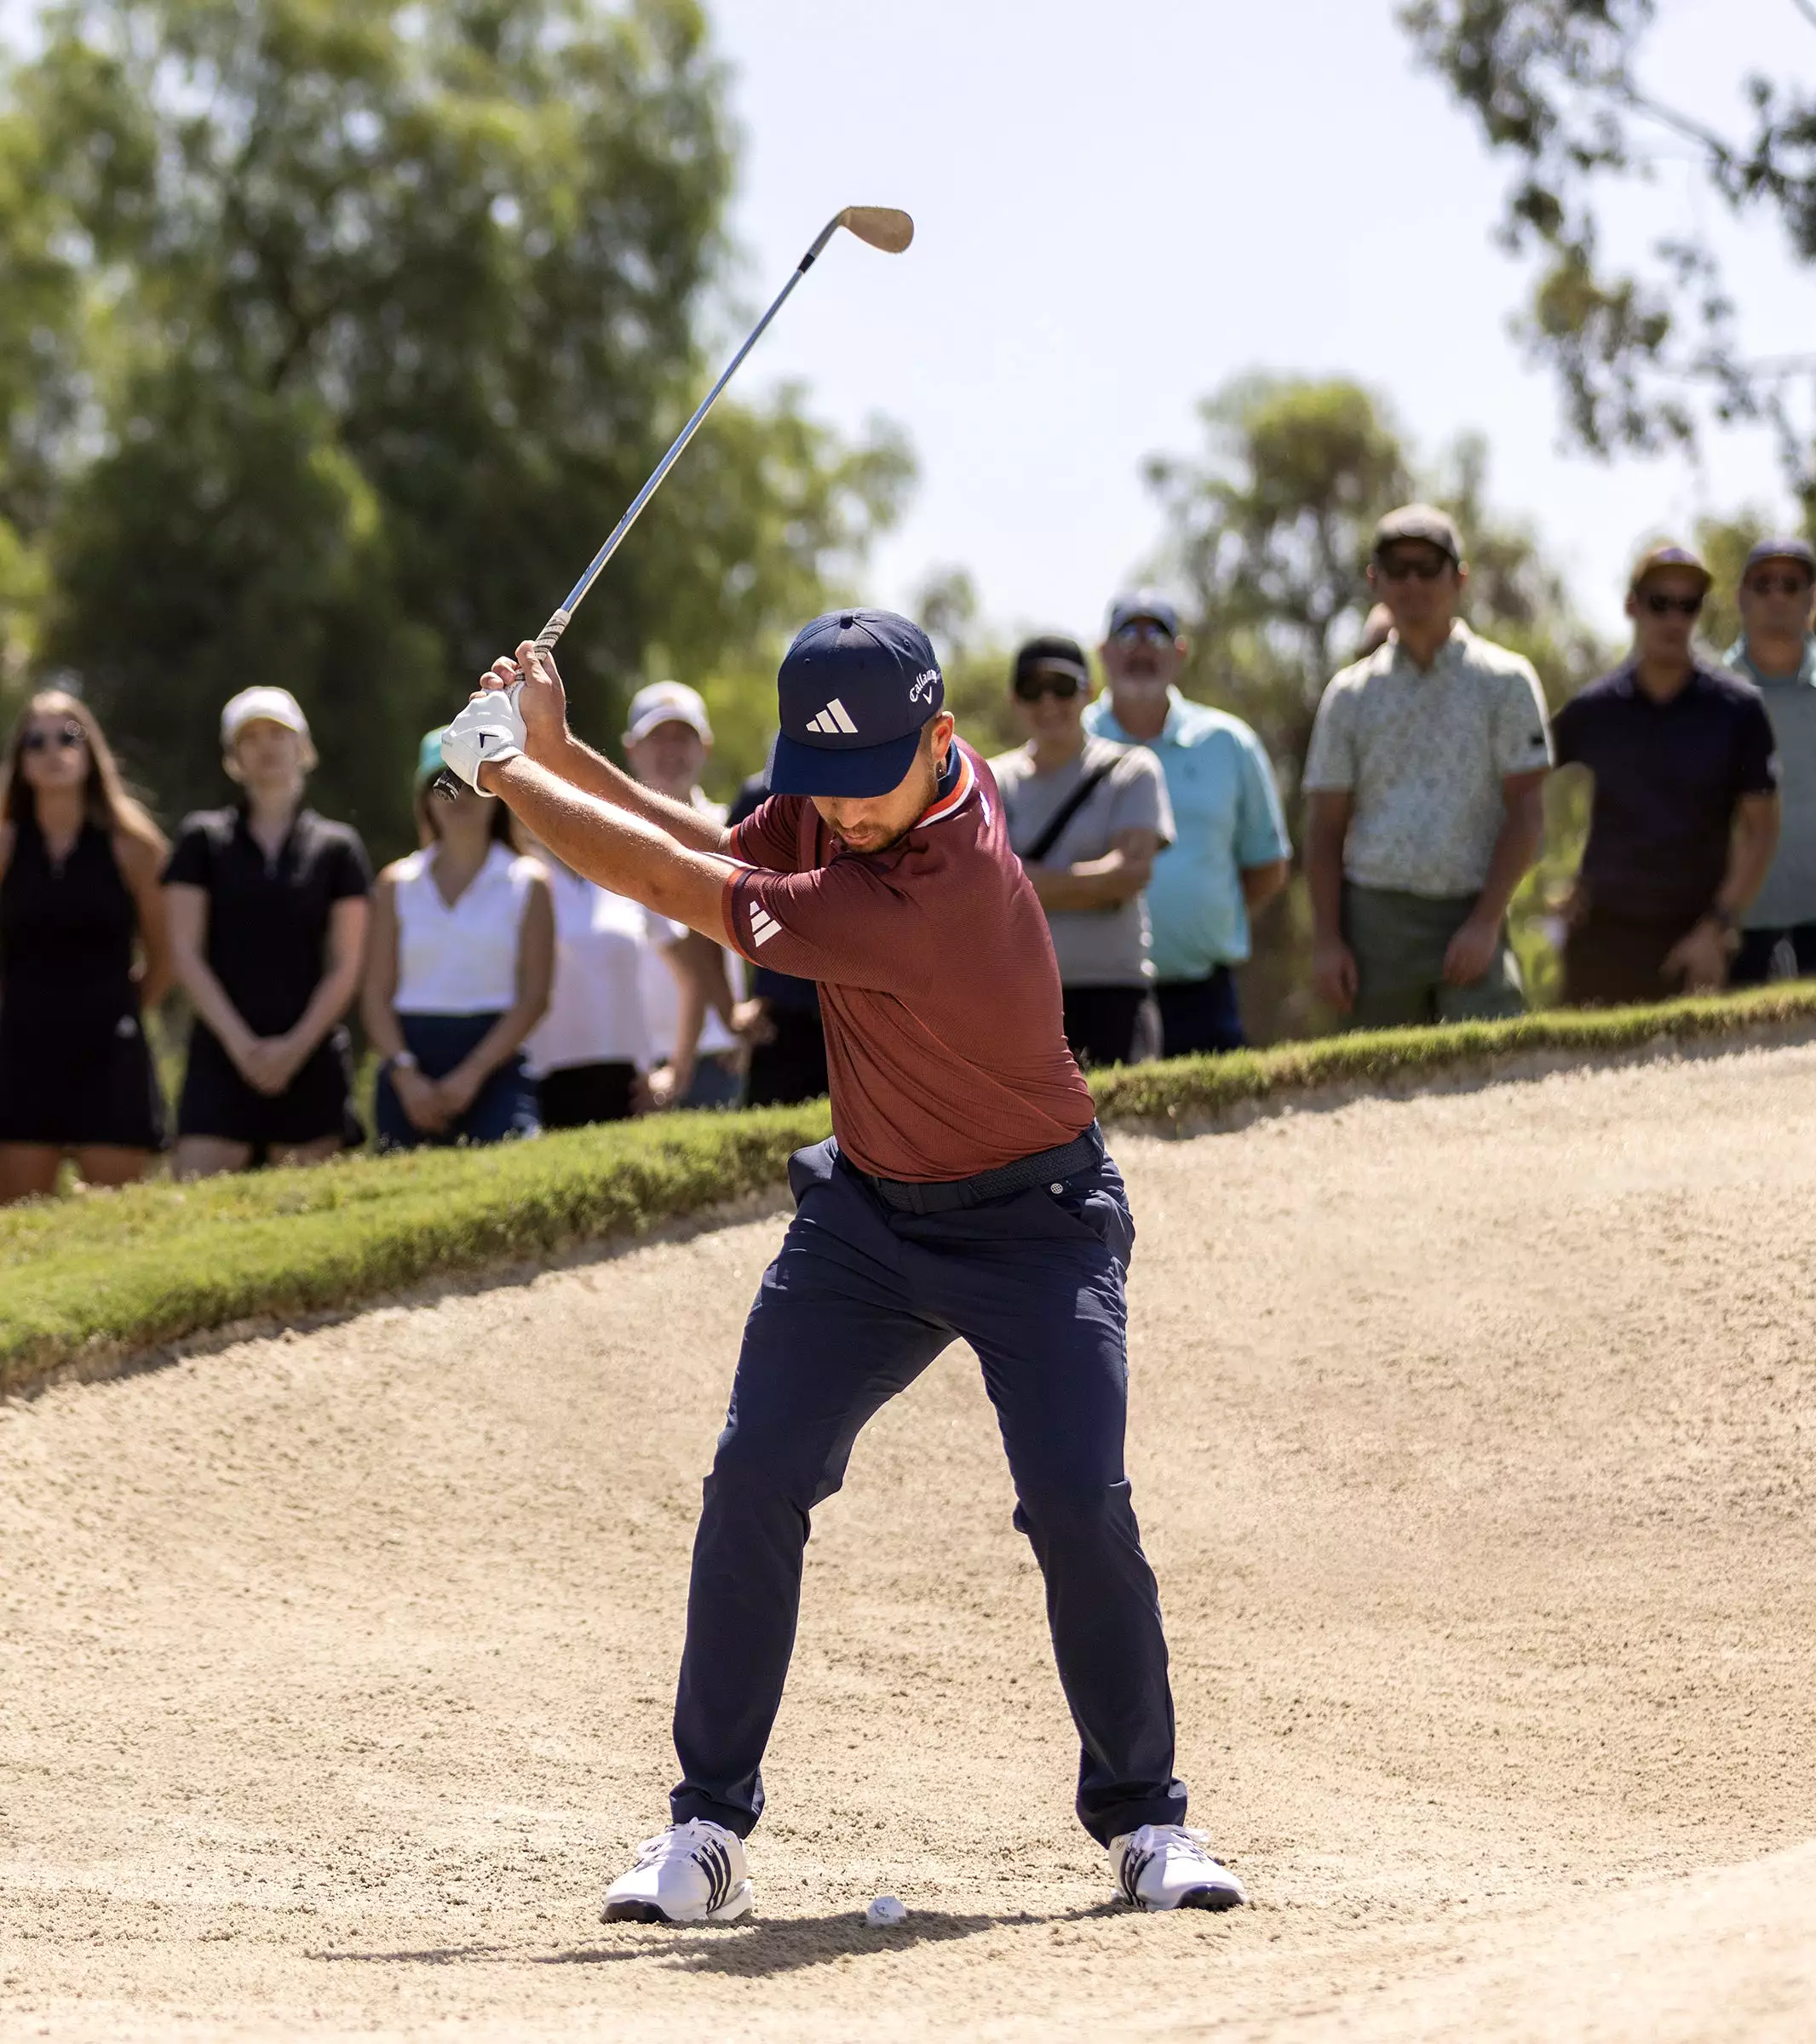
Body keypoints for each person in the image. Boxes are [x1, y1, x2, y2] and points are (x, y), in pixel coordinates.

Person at [439, 608, 1246, 1921]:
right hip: (868, 1220)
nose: (845, 813)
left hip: (1036, 1227)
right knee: (754, 1475)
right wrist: (562, 747)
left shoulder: (944, 884)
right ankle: (704, 1829)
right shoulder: (848, 787)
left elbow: (676, 893)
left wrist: (507, 780)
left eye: (868, 783)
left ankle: (1149, 1822)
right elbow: (706, 839)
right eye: (823, 786)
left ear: (939, 742)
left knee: (1077, 1501)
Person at [1302, 505, 1552, 1027]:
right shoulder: (1349, 695)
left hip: (1472, 912)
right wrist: (1328, 941)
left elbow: (1527, 810)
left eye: (1428, 567)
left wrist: (1485, 923)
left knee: (1496, 1074)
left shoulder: (1505, 681)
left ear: (1458, 578)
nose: (1413, 582)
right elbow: (1326, 828)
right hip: (1375, 924)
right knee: (1377, 1090)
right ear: (1376, 580)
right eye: (1398, 569)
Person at [1551, 544, 1782, 1005]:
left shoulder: (1738, 711)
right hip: (1602, 939)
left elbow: (1762, 832)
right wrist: (1551, 881)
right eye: (1660, 602)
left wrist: (1716, 930)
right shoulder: (1592, 711)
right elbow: (1520, 787)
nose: (1674, 619)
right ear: (1632, 606)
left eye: (1688, 604)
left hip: (1696, 943)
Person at [164, 687, 371, 1178]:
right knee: (195, 1210)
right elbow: (183, 951)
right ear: (233, 758)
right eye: (250, 737)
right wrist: (243, 1047)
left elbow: (347, 964)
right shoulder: (201, 840)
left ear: (303, 746)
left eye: (278, 733)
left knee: (308, 1216)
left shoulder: (338, 848)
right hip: (221, 1051)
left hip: (311, 1055)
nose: (266, 746)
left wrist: (293, 1048)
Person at [1083, 591, 1289, 1057]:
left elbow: (1267, 866)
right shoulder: (1071, 743)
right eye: (1127, 633)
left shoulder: (1229, 743)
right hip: (1091, 994)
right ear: (1104, 652)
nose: (1141, 646)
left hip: (1205, 994)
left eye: (1156, 632)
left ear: (1179, 653)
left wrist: (1205, 920)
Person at [0, 692, 173, 1203]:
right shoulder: (6, 846)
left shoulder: (133, 846)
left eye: (67, 737)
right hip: (22, 1047)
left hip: (110, 1048)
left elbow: (165, 958)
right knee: (19, 1226)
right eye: (37, 741)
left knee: (116, 1223)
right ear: (22, 761)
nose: (53, 750)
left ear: (89, 750)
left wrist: (123, 1010)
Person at [361, 732, 552, 1149]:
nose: (459, 795)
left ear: (497, 792)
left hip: (495, 1060)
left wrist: (473, 1073)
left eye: (473, 781)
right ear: (426, 798)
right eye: (445, 783)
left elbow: (534, 997)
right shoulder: (397, 883)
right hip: (410, 1060)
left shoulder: (529, 882)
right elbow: (375, 995)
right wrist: (406, 1075)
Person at [991, 634, 1174, 1067]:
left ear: (1088, 692)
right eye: (1034, 690)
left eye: (1062, 686)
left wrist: (1019, 881)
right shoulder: (989, 780)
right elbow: (978, 889)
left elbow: (1129, 876)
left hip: (1116, 995)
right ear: (1015, 699)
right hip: (1020, 1002)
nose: (1049, 701)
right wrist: (1092, 883)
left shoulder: (1132, 770)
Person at [1718, 538, 1816, 984]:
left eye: (1792, 584)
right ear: (1742, 597)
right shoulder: (1713, 689)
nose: (1778, 596)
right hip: (1739, 923)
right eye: (1763, 584)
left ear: (1814, 598)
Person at [621, 681, 756, 1108]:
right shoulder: (601, 835)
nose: (670, 750)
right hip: (630, 1063)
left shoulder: (733, 833)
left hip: (720, 1055)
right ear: (630, 749)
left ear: (706, 747)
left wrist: (741, 1025)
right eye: (656, 737)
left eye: (683, 737)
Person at [521, 839, 660, 1129]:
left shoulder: (624, 868)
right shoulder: (516, 875)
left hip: (627, 1079)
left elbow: (694, 969)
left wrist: (678, 1070)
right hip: (538, 1075)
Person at [728, 767, 830, 1106]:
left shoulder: (880, 784)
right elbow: (715, 885)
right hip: (779, 1020)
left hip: (864, 1014)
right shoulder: (759, 794)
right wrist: (729, 1006)